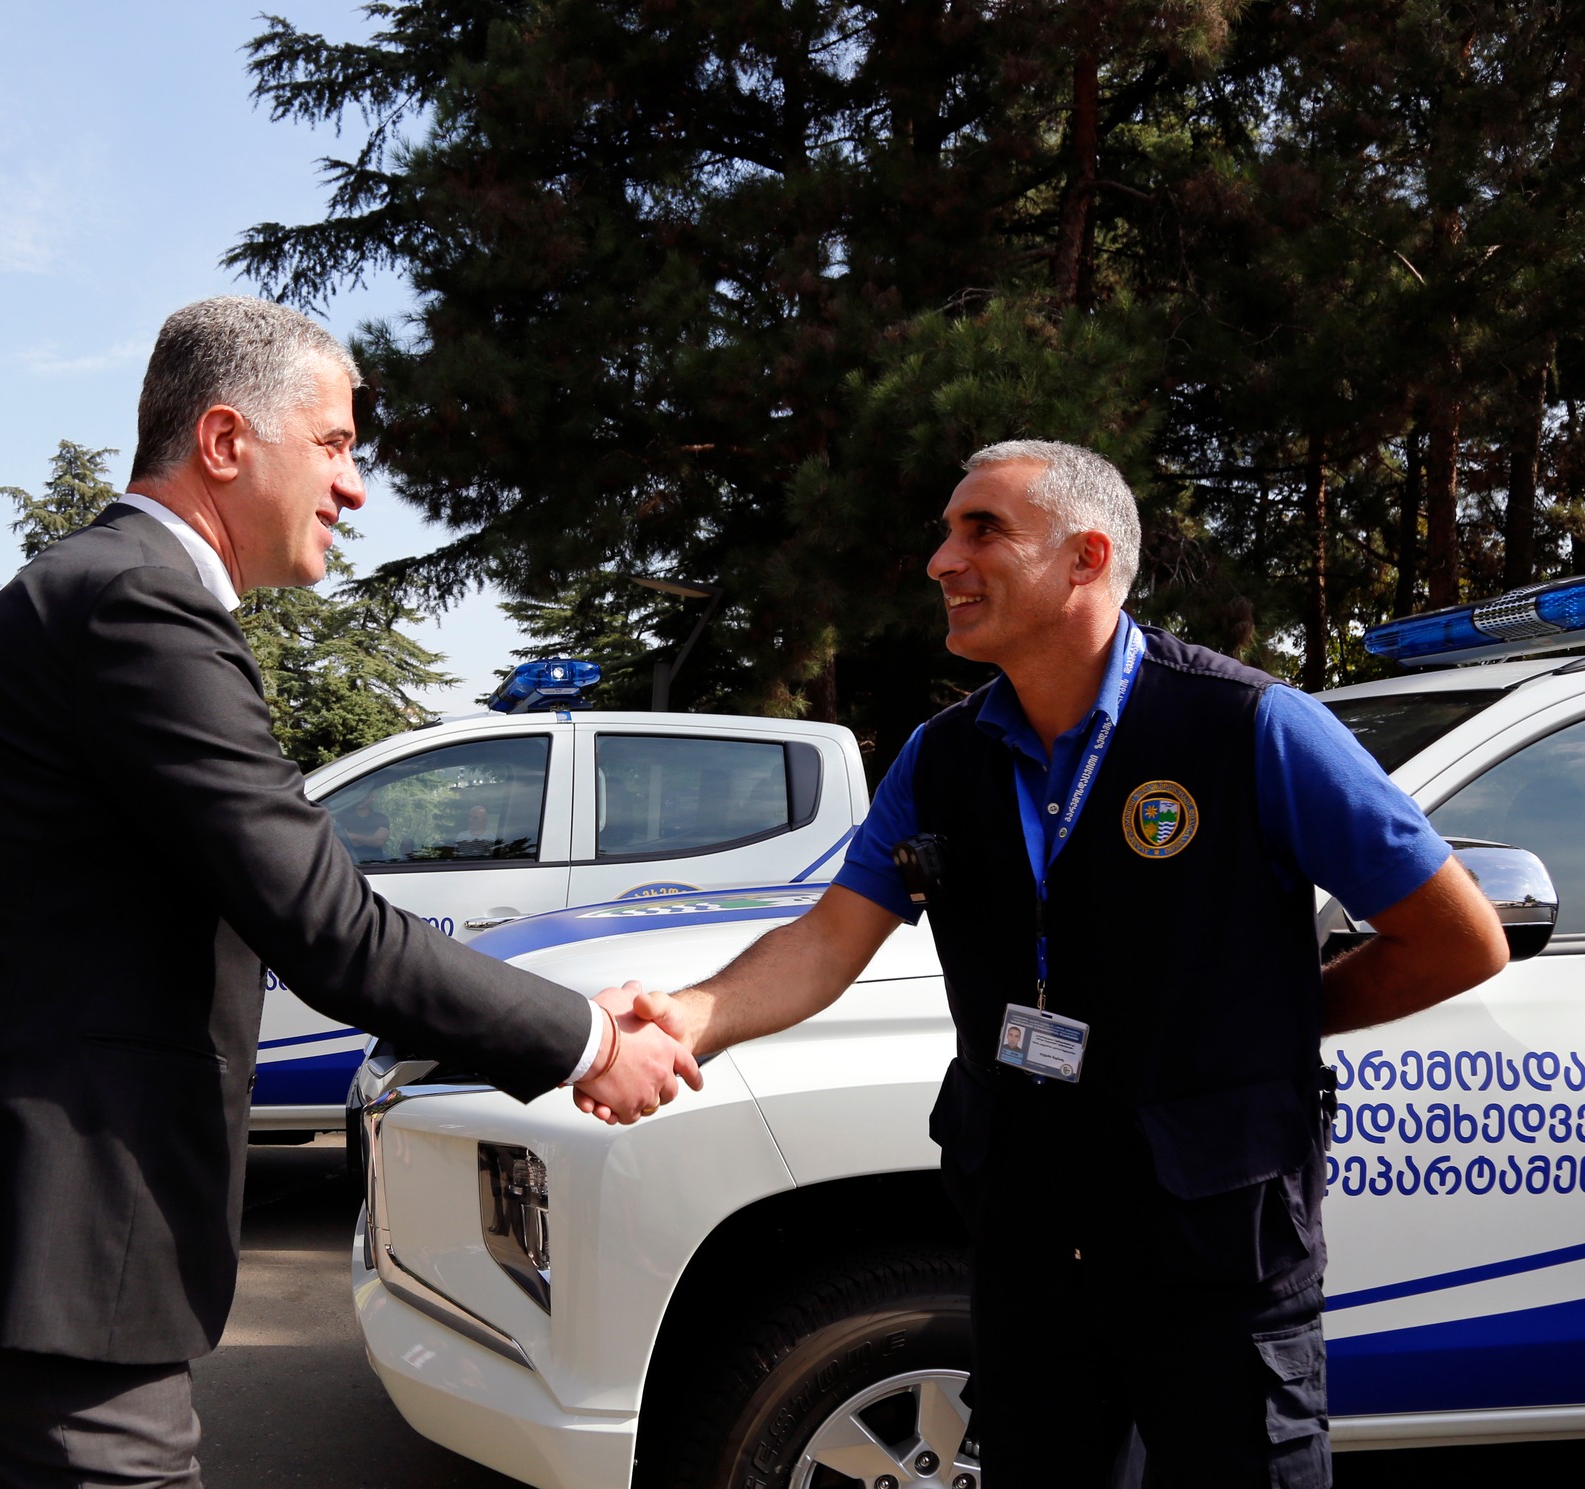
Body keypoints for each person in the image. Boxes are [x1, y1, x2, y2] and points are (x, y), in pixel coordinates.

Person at [0, 297, 698, 1489]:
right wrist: (589, 1041)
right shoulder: (138, 607)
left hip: (12, 1245)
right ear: (224, 441)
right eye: (334, 444)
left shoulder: (95, 593)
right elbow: (327, 926)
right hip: (49, 1254)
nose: (356, 487)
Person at [591, 441, 1509, 1486]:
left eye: (981, 529)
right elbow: (825, 940)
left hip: (1216, 1247)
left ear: (1085, 557)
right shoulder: (941, 757)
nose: (941, 559)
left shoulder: (1252, 728)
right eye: (946, 531)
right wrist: (689, 1014)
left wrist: (1275, 1019)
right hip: (1029, 1242)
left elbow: (1459, 939)